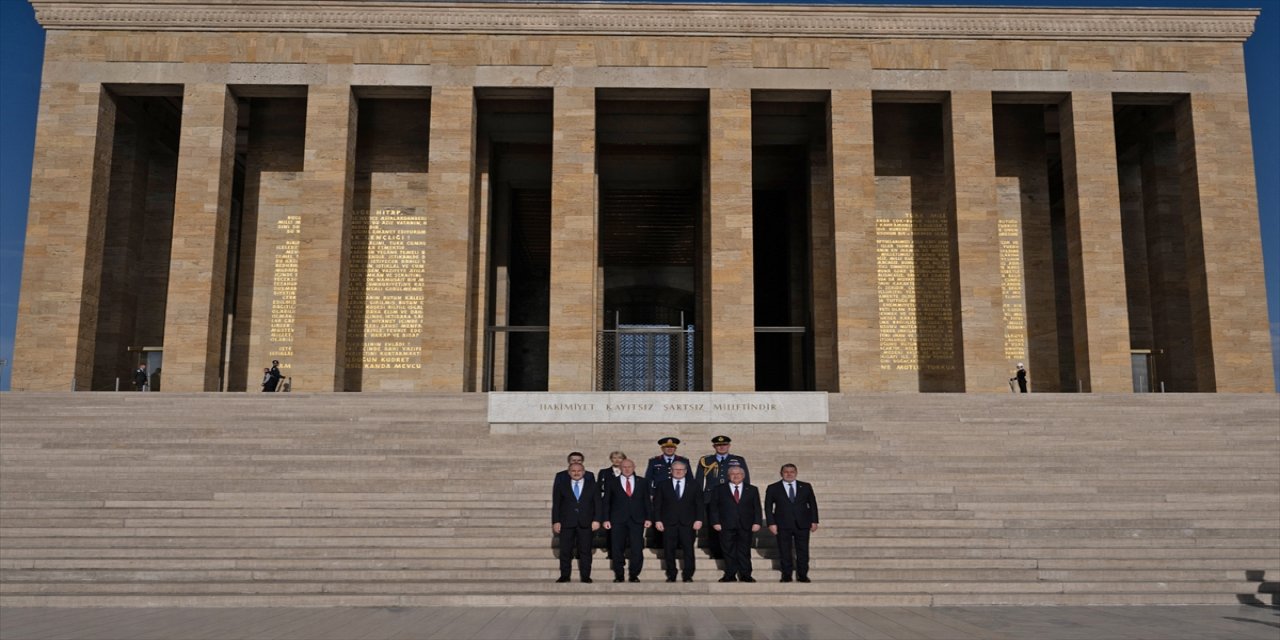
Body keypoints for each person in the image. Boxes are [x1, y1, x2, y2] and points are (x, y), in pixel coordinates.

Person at [764, 463, 820, 583]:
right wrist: (771, 523)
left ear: (796, 473)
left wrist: (814, 520)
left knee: (803, 550)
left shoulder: (805, 486)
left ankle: (803, 575)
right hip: (782, 524)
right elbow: (768, 507)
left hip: (802, 524)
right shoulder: (773, 487)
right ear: (781, 473)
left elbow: (812, 504)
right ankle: (786, 575)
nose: (789, 474)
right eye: (786, 472)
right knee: (785, 550)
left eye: (792, 472)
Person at [696, 435, 749, 559]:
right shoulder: (706, 460)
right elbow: (698, 480)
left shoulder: (738, 460)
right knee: (713, 526)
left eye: (724, 444)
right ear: (714, 446)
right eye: (718, 445)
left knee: (730, 525)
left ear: (729, 446)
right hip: (710, 497)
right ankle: (716, 552)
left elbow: (745, 479)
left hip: (731, 497)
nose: (721, 447)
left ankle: (731, 551)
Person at [708, 463, 760, 583]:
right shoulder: (719, 489)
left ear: (743, 475)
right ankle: (730, 574)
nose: (735, 476)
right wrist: (715, 522)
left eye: (738, 474)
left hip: (745, 525)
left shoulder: (752, 489)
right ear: (728, 476)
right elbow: (714, 507)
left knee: (744, 551)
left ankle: (746, 574)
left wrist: (757, 522)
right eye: (732, 474)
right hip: (726, 524)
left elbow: (756, 507)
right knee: (728, 550)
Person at [652, 460, 703, 582]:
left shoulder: (694, 484)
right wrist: (658, 520)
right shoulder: (662, 484)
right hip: (668, 523)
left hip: (688, 523)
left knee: (688, 550)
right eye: (676, 469)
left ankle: (688, 575)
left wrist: (699, 519)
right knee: (669, 550)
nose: (679, 471)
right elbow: (657, 504)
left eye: (681, 469)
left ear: (686, 471)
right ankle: (671, 574)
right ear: (671, 471)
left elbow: (699, 505)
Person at [601, 458, 650, 582]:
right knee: (617, 548)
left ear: (634, 467)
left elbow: (647, 502)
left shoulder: (643, 482)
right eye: (624, 467)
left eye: (629, 467)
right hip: (617, 520)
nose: (627, 469)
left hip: (637, 519)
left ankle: (634, 574)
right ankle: (619, 575)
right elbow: (606, 502)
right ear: (620, 468)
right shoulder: (612, 482)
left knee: (637, 548)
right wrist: (606, 519)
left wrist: (649, 517)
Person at [551, 462, 599, 583]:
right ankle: (565, 575)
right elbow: (556, 505)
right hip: (567, 522)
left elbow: (598, 504)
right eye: (573, 471)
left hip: (586, 522)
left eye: (579, 471)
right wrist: (556, 521)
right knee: (565, 551)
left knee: (585, 551)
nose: (576, 473)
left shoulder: (592, 485)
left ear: (584, 472)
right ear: (569, 472)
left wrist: (597, 520)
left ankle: (586, 576)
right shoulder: (561, 485)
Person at [644, 437, 689, 549]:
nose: (669, 449)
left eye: (672, 447)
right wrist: (650, 493)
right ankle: (658, 542)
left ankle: (679, 543)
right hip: (660, 495)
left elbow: (689, 479)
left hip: (678, 495)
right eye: (667, 447)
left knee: (678, 519)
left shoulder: (683, 461)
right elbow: (648, 479)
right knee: (658, 517)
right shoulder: (654, 461)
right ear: (662, 448)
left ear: (675, 448)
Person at [596, 451, 628, 558]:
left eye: (620, 458)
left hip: (623, 505)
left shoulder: (628, 471)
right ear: (611, 459)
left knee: (623, 530)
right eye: (614, 458)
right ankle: (611, 552)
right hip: (609, 504)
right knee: (610, 530)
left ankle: (621, 551)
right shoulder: (604, 472)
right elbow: (599, 488)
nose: (617, 460)